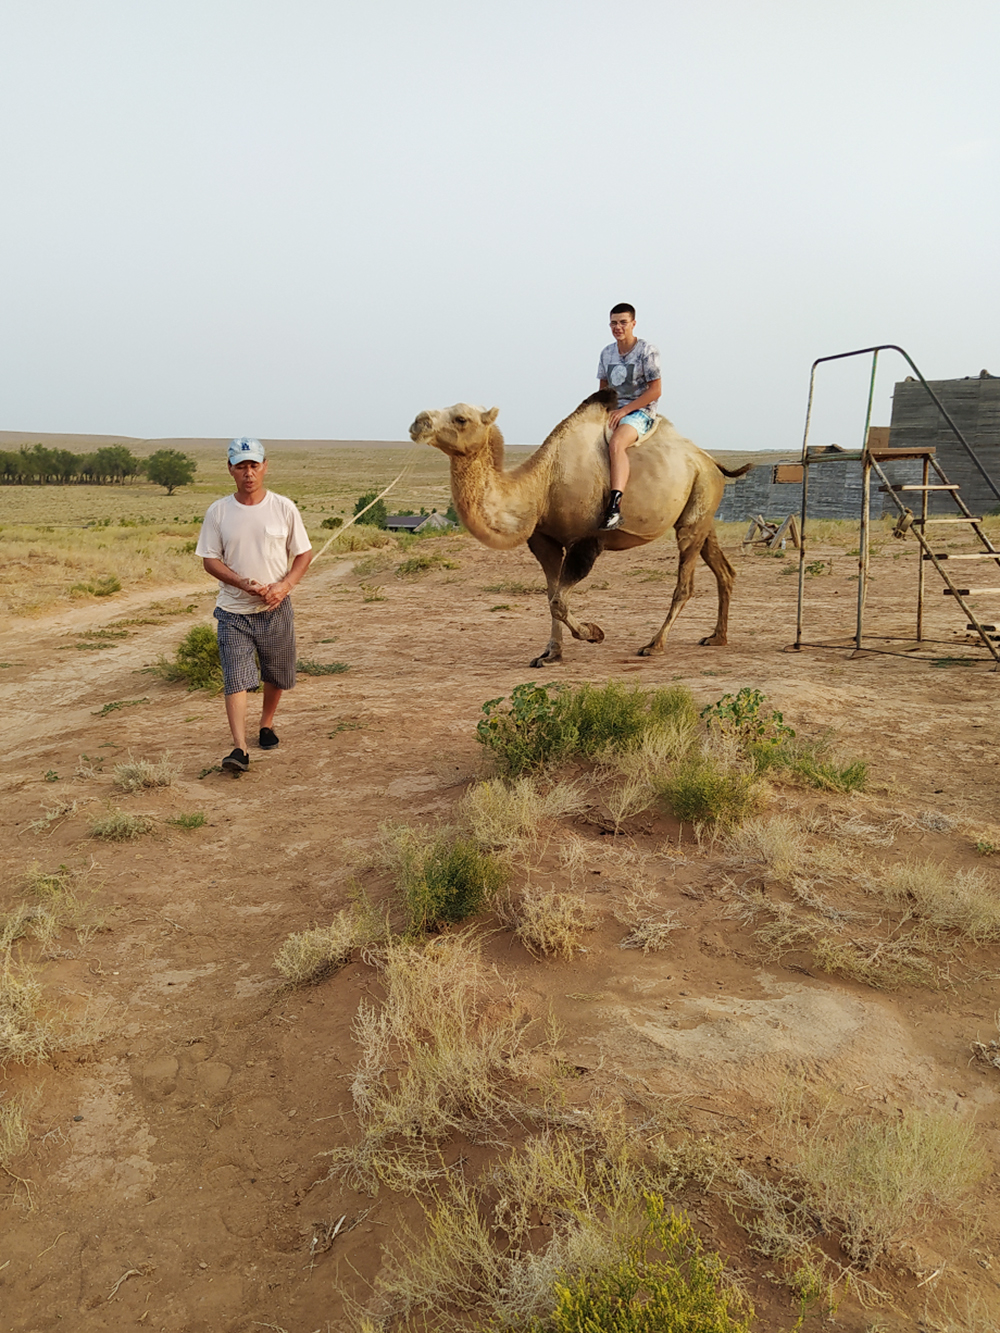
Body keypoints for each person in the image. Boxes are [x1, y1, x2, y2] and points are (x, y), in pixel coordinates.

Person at [195, 438, 313, 773]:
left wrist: (284, 586)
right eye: (241, 466)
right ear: (230, 468)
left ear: (265, 466)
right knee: (236, 676)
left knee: (276, 672)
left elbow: (303, 554)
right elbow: (210, 560)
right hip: (233, 611)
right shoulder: (218, 511)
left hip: (275, 607)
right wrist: (241, 582)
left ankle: (266, 724)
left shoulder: (284, 508)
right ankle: (239, 748)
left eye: (254, 465)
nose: (248, 473)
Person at [596, 303, 662, 530]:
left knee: (616, 443)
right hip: (613, 410)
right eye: (614, 323)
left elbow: (655, 390)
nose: (618, 327)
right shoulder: (607, 353)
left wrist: (624, 411)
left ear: (633, 323)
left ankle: (614, 508)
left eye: (623, 322)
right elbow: (603, 390)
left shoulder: (646, 351)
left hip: (640, 411)